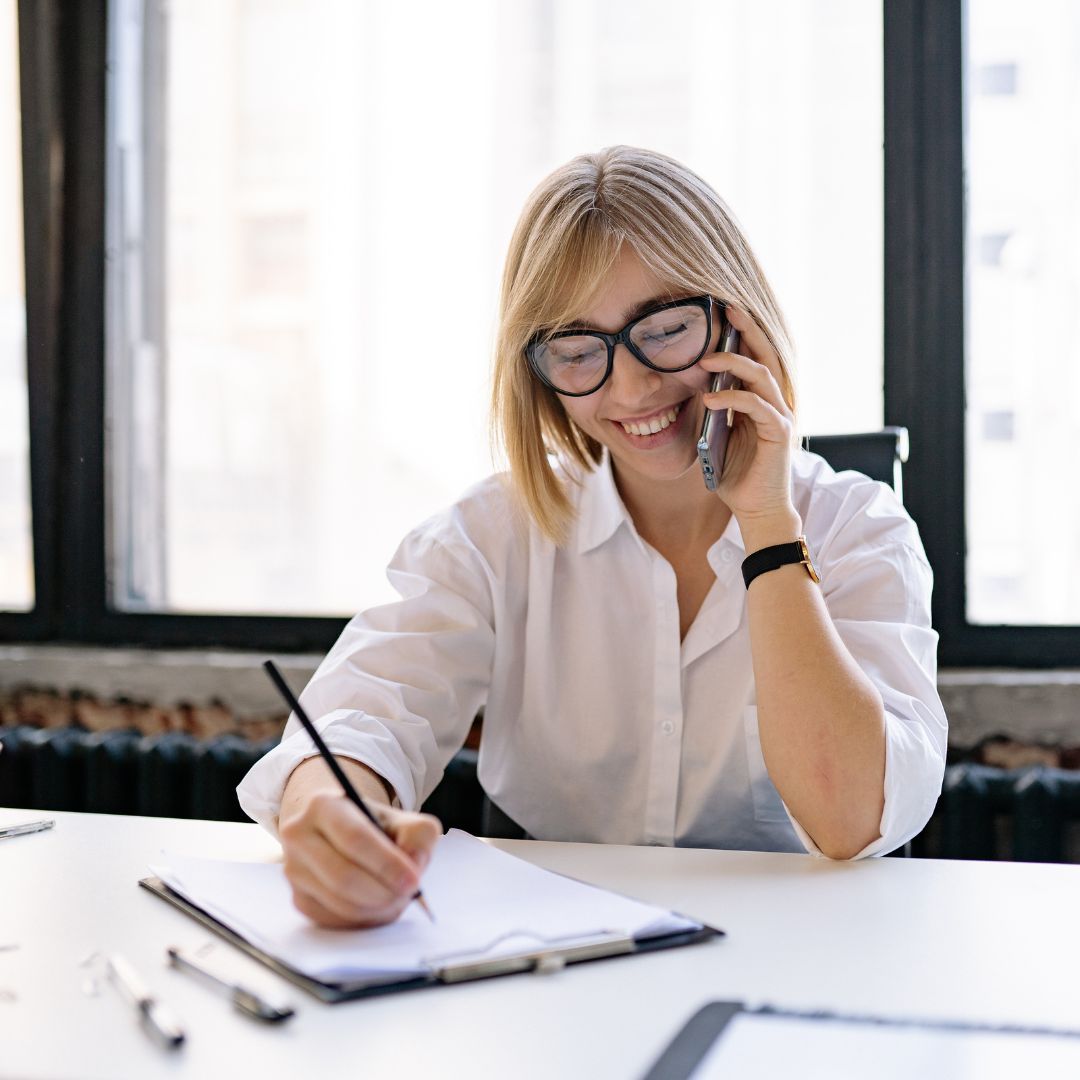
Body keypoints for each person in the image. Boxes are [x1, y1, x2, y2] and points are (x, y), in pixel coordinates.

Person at [238, 146, 947, 929]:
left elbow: (851, 819)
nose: (634, 387)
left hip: (792, 953)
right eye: (579, 352)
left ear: (737, 319)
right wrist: (334, 812)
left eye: (667, 329)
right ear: (538, 370)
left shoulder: (858, 527)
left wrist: (768, 526)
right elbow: (366, 714)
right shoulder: (492, 535)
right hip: (555, 961)